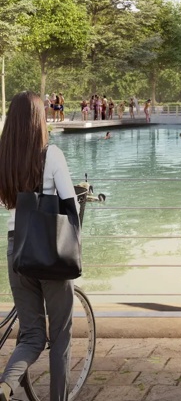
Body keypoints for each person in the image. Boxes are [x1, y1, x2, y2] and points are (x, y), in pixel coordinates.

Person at [0, 92, 78, 401]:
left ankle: (6, 385)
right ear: (38, 120)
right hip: (49, 250)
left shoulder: (2, 157)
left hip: (15, 250)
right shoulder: (52, 154)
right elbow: (70, 204)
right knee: (60, 335)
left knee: (31, 335)